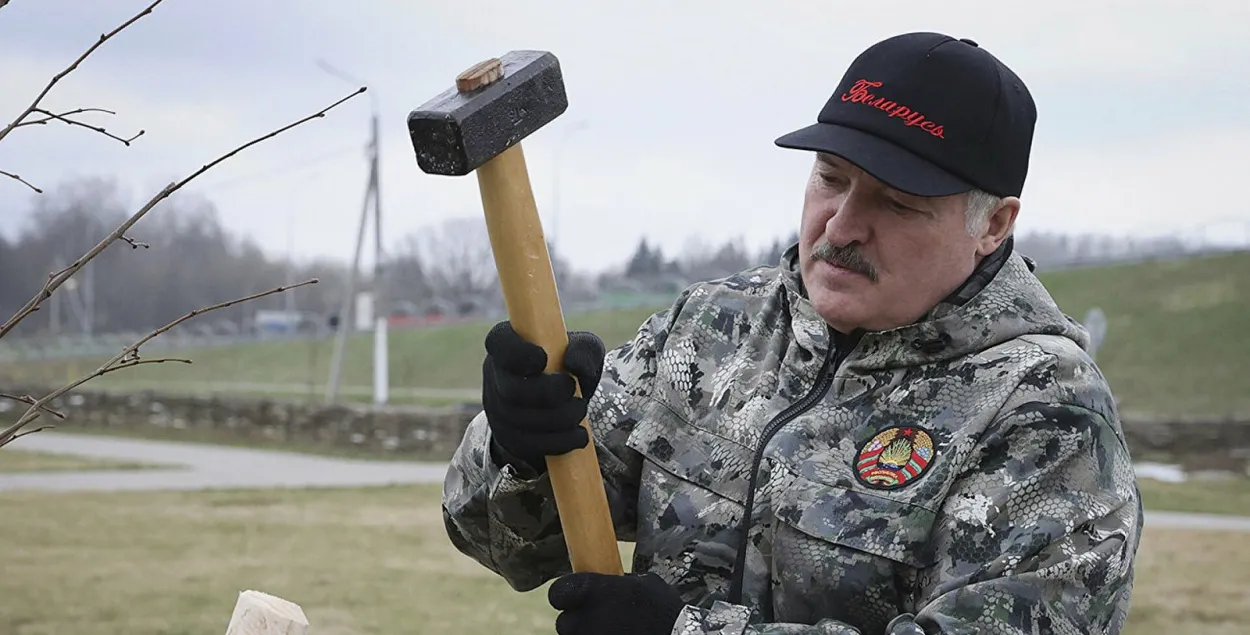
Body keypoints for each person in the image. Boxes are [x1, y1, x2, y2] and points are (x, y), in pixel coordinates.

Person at [442, 31, 1143, 635]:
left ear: (993, 224)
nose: (840, 227)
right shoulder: (715, 327)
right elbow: (504, 544)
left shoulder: (1044, 412)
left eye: (897, 203)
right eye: (831, 178)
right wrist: (518, 449)